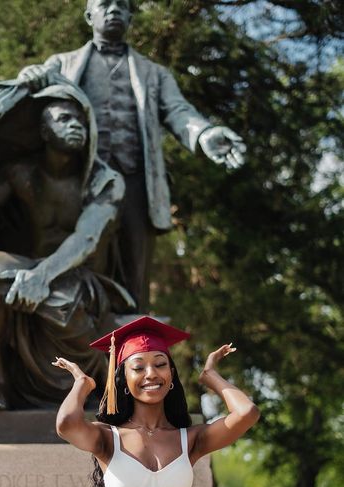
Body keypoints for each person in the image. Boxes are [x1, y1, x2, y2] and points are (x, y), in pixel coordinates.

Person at [0, 80, 135, 410]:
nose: (75, 125)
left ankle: (102, 380)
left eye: (80, 120)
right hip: (27, 271)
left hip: (79, 277)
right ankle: (1, 386)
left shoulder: (104, 182)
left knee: (63, 299)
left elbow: (86, 239)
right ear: (43, 132)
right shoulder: (21, 174)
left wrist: (41, 277)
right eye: (63, 119)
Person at [19, 0, 246, 311]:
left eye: (122, 6)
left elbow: (179, 112)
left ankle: (136, 351)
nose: (114, 10)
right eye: (105, 4)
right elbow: (32, 93)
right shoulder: (62, 63)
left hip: (136, 184)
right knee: (78, 265)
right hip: (84, 181)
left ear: (130, 16)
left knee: (134, 272)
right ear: (89, 15)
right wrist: (32, 75)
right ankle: (79, 347)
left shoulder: (154, 74)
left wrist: (204, 133)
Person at [53, 316, 260, 487]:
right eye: (138, 367)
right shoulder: (108, 439)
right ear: (124, 378)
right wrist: (83, 383)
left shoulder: (190, 440)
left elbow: (247, 413)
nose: (151, 373)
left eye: (160, 364)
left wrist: (211, 376)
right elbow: (66, 424)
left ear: (171, 374)